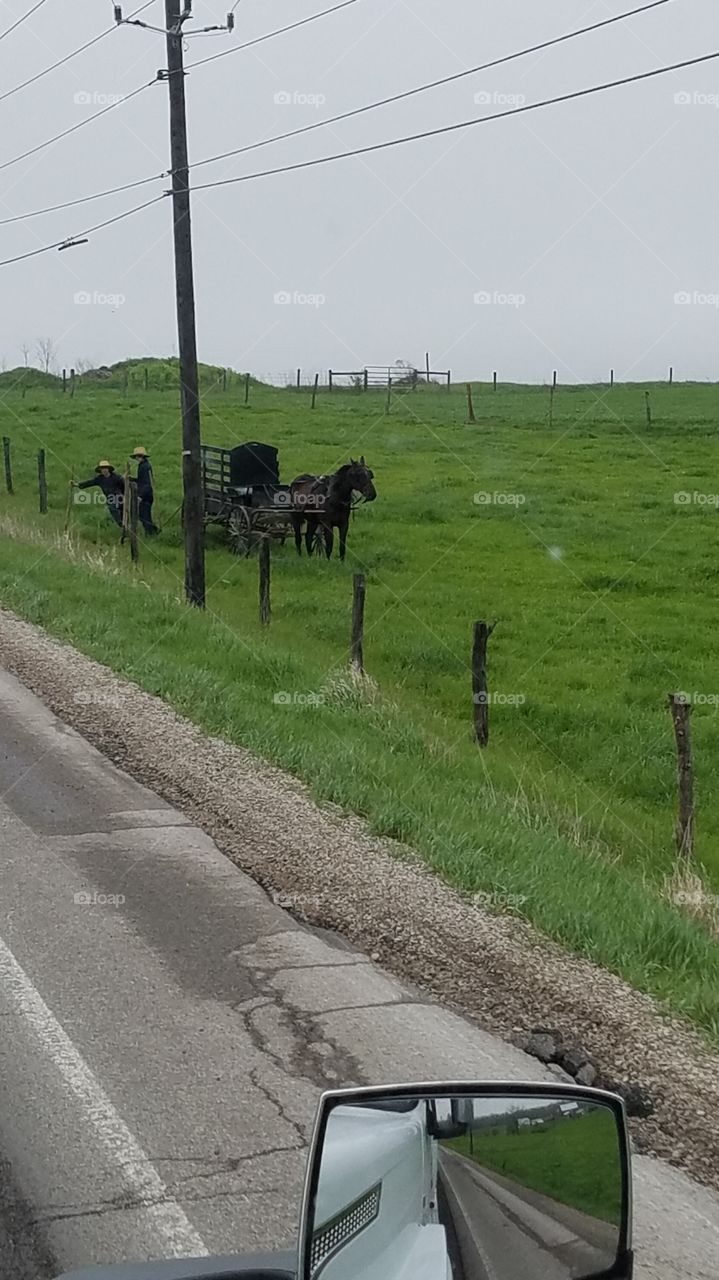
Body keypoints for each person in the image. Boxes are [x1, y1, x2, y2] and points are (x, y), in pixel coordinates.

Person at [75, 460, 125, 529]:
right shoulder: (100, 479)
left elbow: (124, 486)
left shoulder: (117, 477)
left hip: (120, 497)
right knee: (112, 507)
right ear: (100, 470)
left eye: (105, 468)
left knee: (121, 511)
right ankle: (121, 525)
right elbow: (90, 483)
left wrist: (124, 496)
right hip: (110, 499)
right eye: (102, 469)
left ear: (108, 469)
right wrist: (77, 485)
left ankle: (124, 524)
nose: (104, 470)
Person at [131, 446, 159, 535]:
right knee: (143, 515)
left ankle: (151, 532)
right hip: (147, 494)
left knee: (144, 516)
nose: (137, 458)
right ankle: (152, 531)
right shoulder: (143, 465)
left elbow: (146, 483)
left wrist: (140, 496)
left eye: (138, 456)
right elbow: (141, 481)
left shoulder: (144, 467)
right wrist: (132, 479)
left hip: (146, 495)